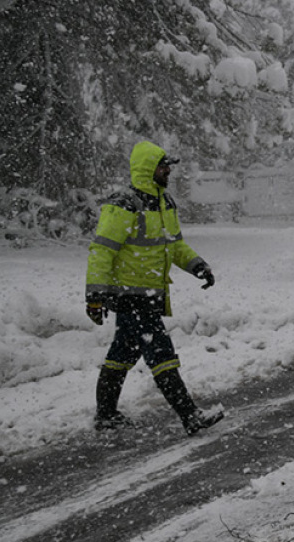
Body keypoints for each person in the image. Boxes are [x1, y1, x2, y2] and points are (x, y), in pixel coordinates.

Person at [85, 140, 224, 435]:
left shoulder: (164, 203)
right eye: (164, 166)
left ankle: (106, 414)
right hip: (129, 294)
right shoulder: (123, 204)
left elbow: (174, 245)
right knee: (161, 354)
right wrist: (95, 296)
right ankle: (190, 415)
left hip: (151, 293)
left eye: (169, 167)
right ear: (149, 169)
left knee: (122, 353)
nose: (168, 172)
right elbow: (102, 250)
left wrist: (197, 265)